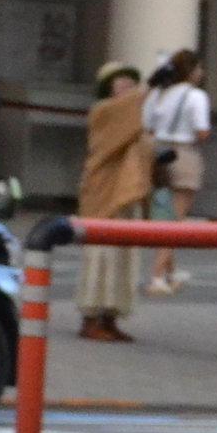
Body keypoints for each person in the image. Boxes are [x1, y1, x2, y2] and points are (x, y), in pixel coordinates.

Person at [76, 63, 153, 341]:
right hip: (104, 196)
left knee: (124, 258)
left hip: (127, 198)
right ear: (109, 87)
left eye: (132, 83)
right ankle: (91, 317)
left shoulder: (133, 121)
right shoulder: (103, 111)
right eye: (122, 83)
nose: (129, 89)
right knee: (101, 256)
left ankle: (111, 316)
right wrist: (151, 86)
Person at [141, 50, 211, 296]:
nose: (201, 73)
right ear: (191, 71)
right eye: (199, 68)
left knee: (162, 215)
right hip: (183, 154)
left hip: (157, 153)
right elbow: (202, 133)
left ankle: (172, 272)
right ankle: (156, 277)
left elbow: (146, 127)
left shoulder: (157, 94)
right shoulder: (196, 96)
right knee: (175, 222)